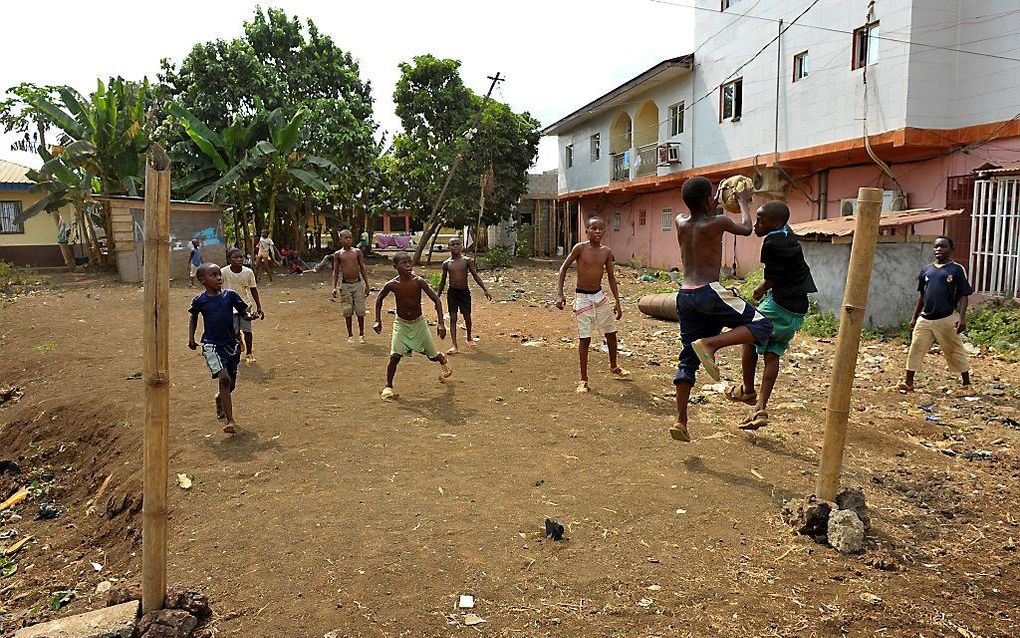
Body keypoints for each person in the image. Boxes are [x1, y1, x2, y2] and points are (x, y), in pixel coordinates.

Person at [671, 176, 773, 443]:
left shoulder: (680, 221)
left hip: (685, 295)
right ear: (708, 201)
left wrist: (711, 201)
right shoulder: (719, 222)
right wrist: (742, 202)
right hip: (709, 291)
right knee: (762, 324)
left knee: (687, 361)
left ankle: (681, 421)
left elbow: (701, 214)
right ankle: (711, 345)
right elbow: (747, 228)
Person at [725, 201, 816, 430]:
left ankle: (747, 391)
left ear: (776, 223)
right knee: (772, 352)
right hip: (797, 310)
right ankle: (760, 409)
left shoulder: (771, 243)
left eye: (761, 221)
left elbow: (771, 279)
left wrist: (756, 292)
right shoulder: (788, 234)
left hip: (780, 305)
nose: (756, 225)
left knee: (748, 334)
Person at [556, 216, 628, 395]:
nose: (597, 231)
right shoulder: (580, 248)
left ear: (604, 231)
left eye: (601, 228)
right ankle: (583, 379)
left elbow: (611, 277)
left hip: (599, 296)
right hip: (582, 297)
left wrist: (618, 302)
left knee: (611, 333)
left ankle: (614, 366)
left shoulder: (606, 252)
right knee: (585, 339)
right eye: (593, 228)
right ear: (586, 231)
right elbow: (563, 268)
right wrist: (560, 294)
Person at [188, 263, 257, 434]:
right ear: (203, 280)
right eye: (213, 275)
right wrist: (191, 337)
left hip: (231, 345)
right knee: (224, 379)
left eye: (219, 274)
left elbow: (243, 313)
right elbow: (193, 317)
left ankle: (220, 398)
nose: (219, 278)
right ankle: (231, 420)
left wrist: (251, 316)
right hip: (211, 345)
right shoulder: (200, 300)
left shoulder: (230, 295)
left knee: (230, 384)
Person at [373, 251, 452, 399]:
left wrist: (441, 323)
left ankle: (440, 358)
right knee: (394, 356)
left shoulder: (418, 281)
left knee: (431, 356)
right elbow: (379, 299)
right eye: (404, 263)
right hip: (401, 324)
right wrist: (378, 320)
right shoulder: (392, 285)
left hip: (419, 324)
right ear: (395, 266)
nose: (408, 265)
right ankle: (388, 386)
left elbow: (436, 300)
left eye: (410, 262)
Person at [899, 236, 973, 393]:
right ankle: (908, 383)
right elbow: (922, 296)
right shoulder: (926, 270)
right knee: (916, 348)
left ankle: (966, 383)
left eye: (943, 246)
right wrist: (914, 318)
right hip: (925, 319)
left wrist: (962, 317)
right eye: (936, 247)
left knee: (954, 349)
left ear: (951, 249)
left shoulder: (956, 270)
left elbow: (964, 295)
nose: (939, 249)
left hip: (946, 318)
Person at [437, 237, 493, 354]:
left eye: (458, 244)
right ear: (449, 247)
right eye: (453, 244)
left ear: (462, 246)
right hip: (452, 293)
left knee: (467, 316)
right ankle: (454, 345)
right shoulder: (446, 263)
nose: (456, 246)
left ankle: (468, 337)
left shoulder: (467, 261)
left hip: (464, 292)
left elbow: (475, 275)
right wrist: (437, 296)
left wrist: (485, 289)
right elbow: (443, 281)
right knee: (453, 318)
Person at [221, 247, 264, 363]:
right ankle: (239, 340)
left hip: (245, 304)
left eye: (241, 257)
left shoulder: (248, 272)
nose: (239, 259)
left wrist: (258, 306)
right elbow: (218, 289)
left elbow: (253, 289)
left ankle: (249, 352)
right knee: (234, 332)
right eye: (236, 257)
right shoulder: (223, 272)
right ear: (229, 259)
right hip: (229, 307)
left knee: (247, 331)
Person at [333, 229, 371, 344]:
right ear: (340, 240)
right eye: (346, 238)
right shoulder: (338, 254)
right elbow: (335, 271)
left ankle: (361, 334)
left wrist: (367, 284)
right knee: (347, 311)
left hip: (357, 284)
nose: (348, 240)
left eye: (350, 238)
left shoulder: (357, 252)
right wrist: (334, 287)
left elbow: (362, 267)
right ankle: (350, 335)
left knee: (360, 311)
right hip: (345, 285)